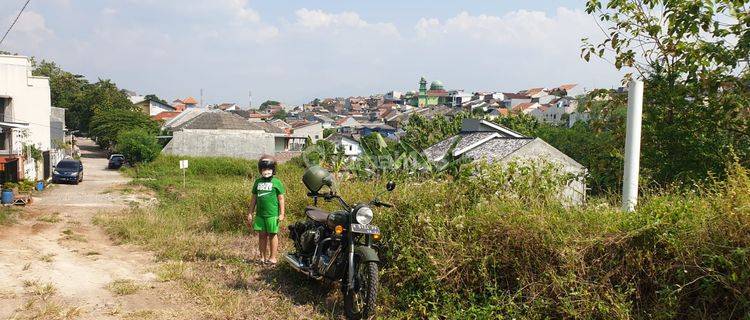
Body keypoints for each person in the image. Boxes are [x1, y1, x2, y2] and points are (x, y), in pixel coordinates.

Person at [247, 155, 285, 265]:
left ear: (273, 170)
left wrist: (282, 213)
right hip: (260, 215)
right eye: (264, 169)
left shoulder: (277, 182)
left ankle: (273, 258)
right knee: (262, 236)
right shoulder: (257, 182)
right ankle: (262, 257)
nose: (266, 171)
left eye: (269, 169)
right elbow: (254, 198)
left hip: (272, 215)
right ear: (260, 170)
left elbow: (281, 199)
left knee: (273, 235)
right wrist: (250, 212)